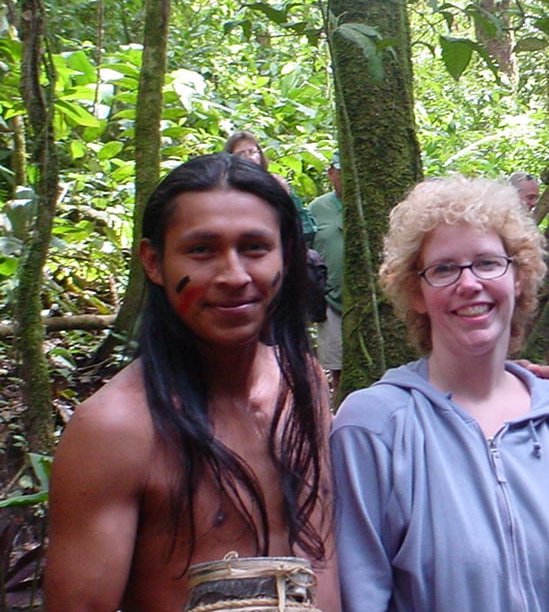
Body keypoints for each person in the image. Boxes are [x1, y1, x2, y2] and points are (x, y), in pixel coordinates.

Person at [44, 153, 340, 612]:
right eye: (201, 250)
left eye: (255, 247)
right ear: (154, 262)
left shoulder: (300, 381)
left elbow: (321, 558)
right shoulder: (115, 429)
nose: (234, 275)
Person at [331, 175, 549, 612]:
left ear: (519, 277)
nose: (469, 283)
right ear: (416, 293)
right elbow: (361, 595)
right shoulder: (374, 427)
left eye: (488, 263)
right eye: (443, 269)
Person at [225, 130, 317, 245]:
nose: (249, 157)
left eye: (252, 152)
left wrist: (287, 197)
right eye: (241, 154)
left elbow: (308, 230)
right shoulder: (225, 189)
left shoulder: (276, 184)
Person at [308, 152, 344, 395]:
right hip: (331, 301)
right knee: (337, 367)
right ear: (331, 173)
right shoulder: (317, 208)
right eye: (341, 171)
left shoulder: (370, 204)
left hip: (369, 299)